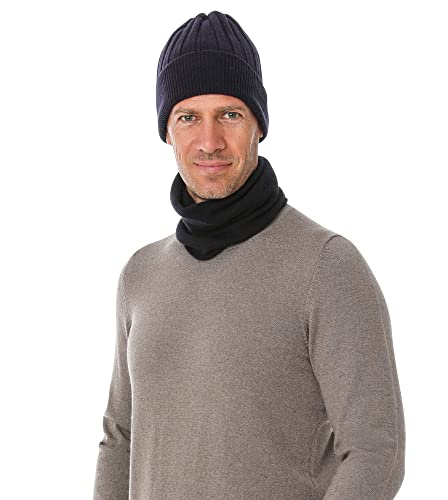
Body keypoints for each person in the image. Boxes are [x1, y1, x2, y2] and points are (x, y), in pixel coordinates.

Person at [93, 10, 405, 500]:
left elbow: (375, 450)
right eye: (188, 117)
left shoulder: (327, 265)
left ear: (258, 124)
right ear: (167, 131)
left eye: (230, 115)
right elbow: (120, 437)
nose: (210, 141)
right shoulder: (141, 275)